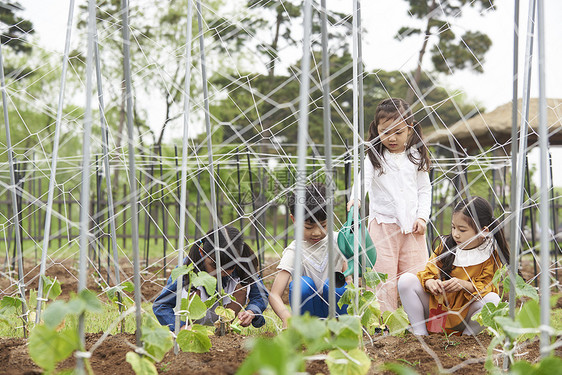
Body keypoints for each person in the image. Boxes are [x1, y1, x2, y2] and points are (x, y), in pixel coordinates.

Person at [347, 97, 431, 312]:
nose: (392, 138)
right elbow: (362, 180)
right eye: (385, 132)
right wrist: (356, 198)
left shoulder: (415, 156)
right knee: (382, 277)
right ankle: (383, 321)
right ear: (376, 130)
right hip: (382, 227)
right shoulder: (374, 157)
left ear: (409, 130)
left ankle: (419, 318)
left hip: (412, 228)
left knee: (416, 273)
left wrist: (422, 217)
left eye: (398, 132)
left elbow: (424, 190)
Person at [397, 196, 509, 335]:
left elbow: (488, 287)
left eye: (462, 230)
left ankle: (467, 338)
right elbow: (428, 271)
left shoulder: (490, 255)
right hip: (438, 310)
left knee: (493, 300)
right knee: (406, 281)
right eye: (453, 227)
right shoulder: (446, 246)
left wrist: (464, 284)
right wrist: (430, 282)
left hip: (466, 316)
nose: (455, 234)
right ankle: (421, 333)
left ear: (483, 231)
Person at [153, 226, 269, 331]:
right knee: (192, 289)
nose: (222, 272)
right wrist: (181, 327)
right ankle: (192, 330)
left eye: (231, 267)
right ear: (202, 252)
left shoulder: (244, 265)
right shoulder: (186, 268)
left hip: (226, 311)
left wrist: (252, 311)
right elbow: (161, 305)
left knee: (242, 287)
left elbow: (260, 295)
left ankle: (224, 329)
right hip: (194, 316)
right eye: (215, 266)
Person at [269, 182, 348, 328]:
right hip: (309, 316)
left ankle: (343, 328)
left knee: (336, 283)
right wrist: (286, 317)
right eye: (308, 227)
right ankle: (308, 330)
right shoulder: (294, 251)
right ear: (294, 220)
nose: (317, 232)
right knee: (302, 285)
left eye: (323, 225)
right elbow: (274, 294)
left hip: (338, 312)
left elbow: (349, 277)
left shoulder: (339, 241)